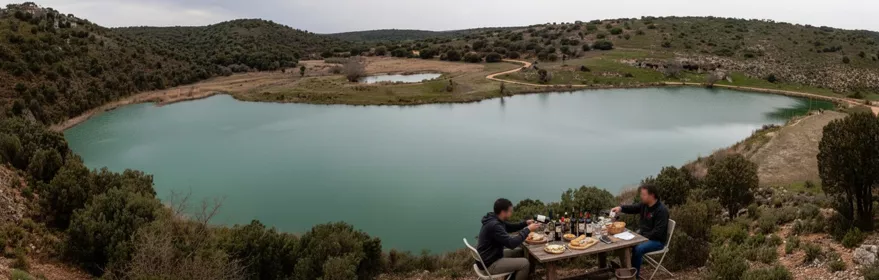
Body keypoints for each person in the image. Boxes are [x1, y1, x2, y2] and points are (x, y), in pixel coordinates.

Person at [610, 184, 669, 279]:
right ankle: (625, 268)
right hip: (643, 236)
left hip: (657, 241)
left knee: (638, 249)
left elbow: (658, 232)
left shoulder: (661, 211)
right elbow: (633, 208)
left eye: (643, 194)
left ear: (652, 195)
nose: (641, 196)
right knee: (622, 242)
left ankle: (634, 276)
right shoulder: (644, 205)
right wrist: (621, 208)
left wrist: (640, 238)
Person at [477, 198, 541, 280]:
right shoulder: (495, 225)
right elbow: (512, 244)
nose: (511, 213)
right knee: (525, 264)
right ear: (503, 212)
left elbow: (510, 227)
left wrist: (525, 223)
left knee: (521, 252)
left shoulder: (495, 218)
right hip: (489, 264)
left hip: (489, 257)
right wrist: (528, 229)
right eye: (510, 211)